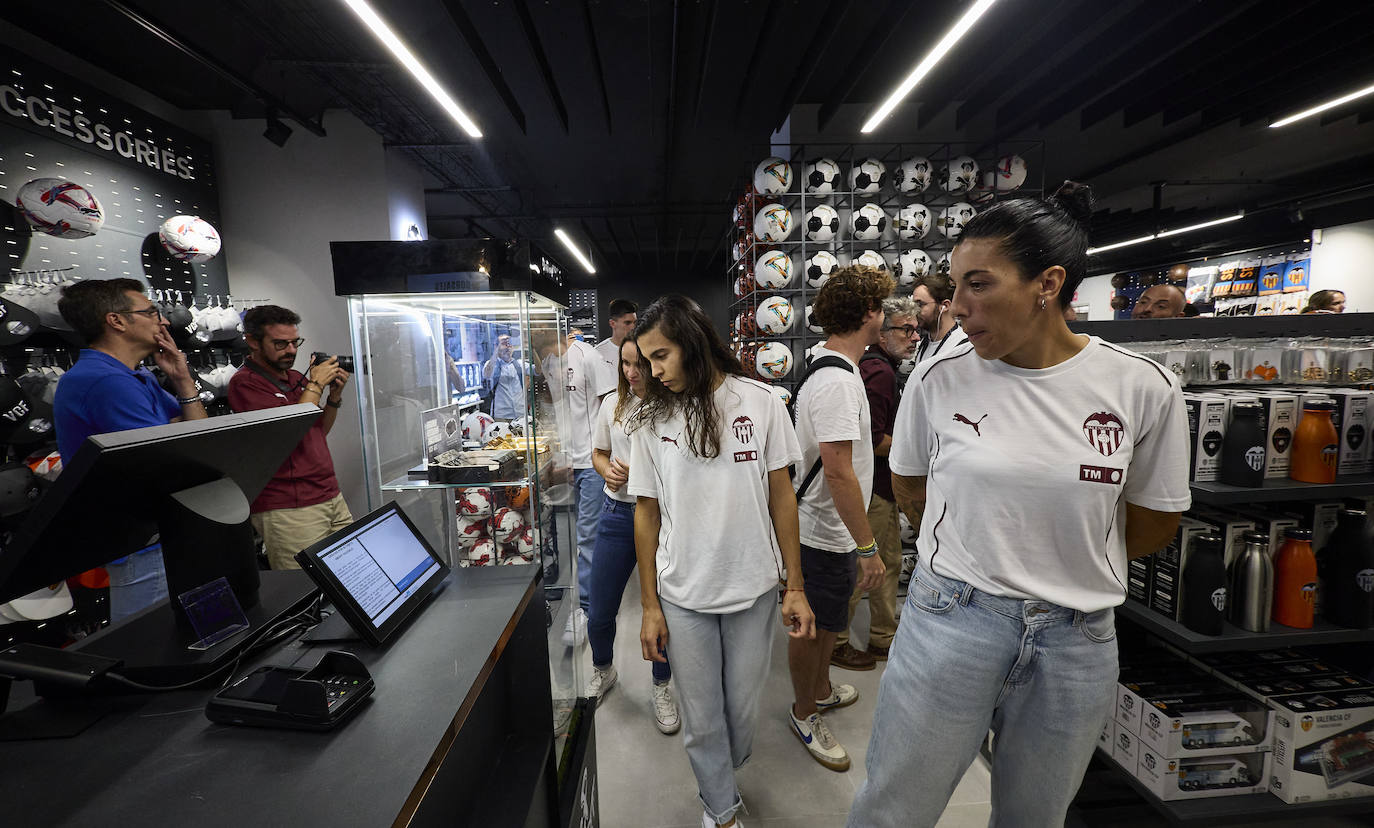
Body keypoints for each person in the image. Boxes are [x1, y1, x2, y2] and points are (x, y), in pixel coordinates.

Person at [850, 183, 1191, 827]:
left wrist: (1061, 549)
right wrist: (978, 544)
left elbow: (1152, 522)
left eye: (978, 285)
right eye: (953, 288)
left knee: (1035, 818)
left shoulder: (1141, 389)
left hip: (1076, 640)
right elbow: (911, 487)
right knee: (893, 809)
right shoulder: (937, 376)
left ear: (1048, 284)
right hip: (951, 620)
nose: (957, 308)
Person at [627, 294, 814, 828]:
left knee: (740, 711)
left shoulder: (761, 403)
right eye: (646, 360)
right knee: (703, 718)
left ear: (691, 342)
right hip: (683, 592)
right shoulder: (649, 420)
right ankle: (720, 808)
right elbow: (646, 512)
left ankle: (722, 777)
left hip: (753, 588)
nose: (654, 371)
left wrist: (793, 585)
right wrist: (648, 606)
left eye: (661, 355)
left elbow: (782, 497)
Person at [785, 265, 891, 773]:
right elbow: (839, 469)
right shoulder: (836, 381)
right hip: (823, 530)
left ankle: (820, 690)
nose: (887, 316)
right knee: (812, 628)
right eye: (882, 308)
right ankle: (804, 711)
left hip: (829, 529)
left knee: (829, 621)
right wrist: (868, 546)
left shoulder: (835, 369)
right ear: (869, 313)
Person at [53, 278, 207, 621]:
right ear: (116, 321)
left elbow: (195, 435)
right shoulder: (105, 382)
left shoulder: (134, 378)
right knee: (153, 647)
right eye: (151, 312)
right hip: (141, 541)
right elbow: (171, 458)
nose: (163, 321)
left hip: (157, 534)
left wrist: (183, 380)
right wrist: (178, 429)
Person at [584, 336, 680, 736]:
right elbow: (598, 452)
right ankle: (603, 669)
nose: (632, 372)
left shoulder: (672, 405)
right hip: (618, 513)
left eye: (639, 363)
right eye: (625, 364)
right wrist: (606, 470)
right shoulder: (613, 404)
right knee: (600, 607)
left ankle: (661, 686)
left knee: (659, 609)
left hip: (663, 517)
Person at [227, 305, 353, 571]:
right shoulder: (246, 383)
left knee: (350, 574)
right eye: (280, 344)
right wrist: (315, 385)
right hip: (288, 505)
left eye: (295, 342)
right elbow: (288, 431)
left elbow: (317, 430)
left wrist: (334, 397)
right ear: (253, 341)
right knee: (304, 589)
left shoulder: (296, 378)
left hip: (328, 494)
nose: (291, 350)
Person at [832, 295, 921, 672]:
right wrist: (913, 451)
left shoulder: (881, 369)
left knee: (886, 563)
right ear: (881, 334)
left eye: (916, 329)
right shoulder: (880, 373)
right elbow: (871, 438)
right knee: (865, 569)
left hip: (880, 488)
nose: (914, 337)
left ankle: (882, 637)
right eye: (905, 329)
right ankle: (835, 640)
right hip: (874, 491)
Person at [533, 325, 616, 646]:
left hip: (591, 462)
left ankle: (586, 610)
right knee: (568, 536)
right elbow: (553, 410)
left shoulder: (588, 356)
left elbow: (610, 407)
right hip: (562, 461)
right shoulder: (549, 361)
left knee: (587, 537)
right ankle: (585, 602)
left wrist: (608, 456)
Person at [912, 273, 967, 363]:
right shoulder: (925, 343)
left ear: (945, 306)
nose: (914, 311)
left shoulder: (962, 347)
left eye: (920, 304)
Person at [593, 298, 637, 395]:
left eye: (634, 322)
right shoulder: (598, 353)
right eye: (627, 323)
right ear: (612, 323)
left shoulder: (642, 348)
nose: (633, 327)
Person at [482, 333, 528, 419]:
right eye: (504, 344)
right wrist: (496, 351)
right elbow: (487, 374)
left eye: (509, 343)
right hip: (501, 416)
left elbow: (537, 371)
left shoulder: (519, 364)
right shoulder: (491, 364)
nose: (508, 346)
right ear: (496, 347)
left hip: (520, 415)